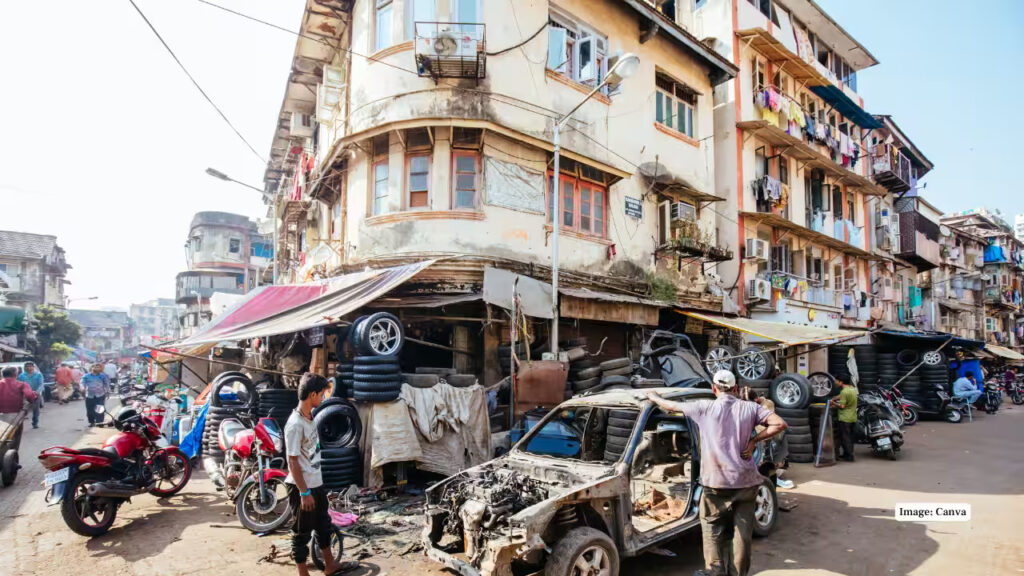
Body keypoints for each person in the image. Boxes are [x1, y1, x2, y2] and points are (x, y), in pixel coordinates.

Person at [647, 371, 788, 576]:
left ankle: (715, 572)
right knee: (742, 535)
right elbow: (780, 424)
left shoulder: (703, 407)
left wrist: (654, 397)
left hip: (716, 483)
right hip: (746, 482)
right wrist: (754, 441)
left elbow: (670, 406)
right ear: (736, 389)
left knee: (712, 530)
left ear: (714, 389)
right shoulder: (751, 407)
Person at [285, 373, 357, 576]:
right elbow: (292, 461)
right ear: (313, 394)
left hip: (315, 483)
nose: (324, 398)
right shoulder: (295, 424)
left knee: (323, 525)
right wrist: (303, 492)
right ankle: (303, 573)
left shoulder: (309, 419)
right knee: (301, 532)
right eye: (322, 394)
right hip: (302, 486)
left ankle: (330, 564)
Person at [0, 366, 38, 451]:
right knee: (14, 438)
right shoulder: (21, 384)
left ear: (2, 375)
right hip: (15, 415)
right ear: (15, 374)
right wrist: (34, 396)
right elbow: (29, 396)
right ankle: (12, 458)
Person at [829, 377, 858, 462]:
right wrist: (835, 398)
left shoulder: (844, 391)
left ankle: (849, 456)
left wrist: (833, 403)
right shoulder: (852, 389)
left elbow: (842, 406)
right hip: (852, 417)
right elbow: (842, 396)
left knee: (845, 438)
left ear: (841, 382)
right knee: (849, 437)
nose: (835, 382)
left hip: (845, 418)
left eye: (837, 381)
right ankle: (847, 454)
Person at [17, 361, 45, 429]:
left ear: (33, 367)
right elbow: (18, 384)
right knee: (22, 410)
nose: (29, 368)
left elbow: (41, 385)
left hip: (36, 394)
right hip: (25, 395)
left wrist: (36, 392)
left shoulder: (38, 374)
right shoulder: (21, 375)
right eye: (27, 366)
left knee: (36, 410)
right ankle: (19, 424)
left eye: (30, 366)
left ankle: (35, 423)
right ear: (25, 368)